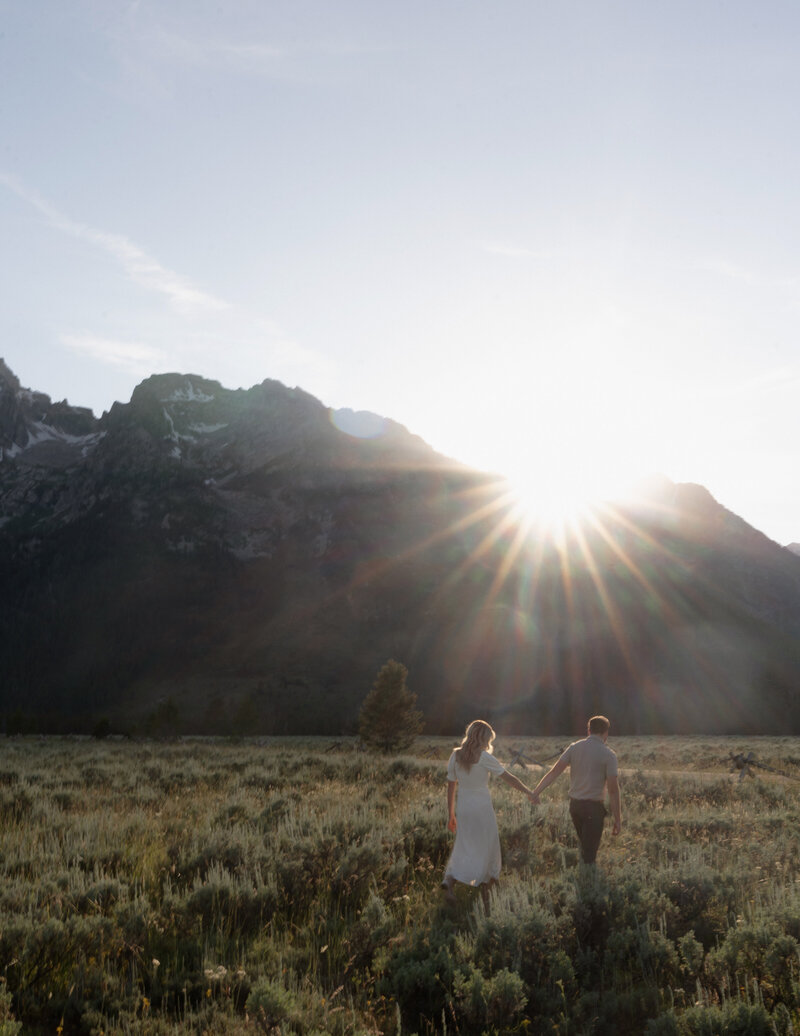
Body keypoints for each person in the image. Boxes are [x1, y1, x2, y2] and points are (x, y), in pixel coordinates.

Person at [442, 719, 537, 906]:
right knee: (488, 843)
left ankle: (450, 880)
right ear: (484, 738)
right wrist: (529, 792)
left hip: (464, 807)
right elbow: (509, 778)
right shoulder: (484, 757)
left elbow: (451, 786)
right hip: (481, 807)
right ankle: (487, 889)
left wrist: (451, 814)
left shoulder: (455, 755)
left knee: (465, 843)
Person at [531, 715, 621, 865]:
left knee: (585, 847)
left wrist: (536, 792)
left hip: (575, 807)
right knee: (589, 854)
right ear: (606, 732)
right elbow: (613, 790)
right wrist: (618, 819)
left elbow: (554, 772)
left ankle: (584, 877)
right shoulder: (609, 755)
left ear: (588, 730)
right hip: (594, 808)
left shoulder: (574, 747)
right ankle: (587, 881)